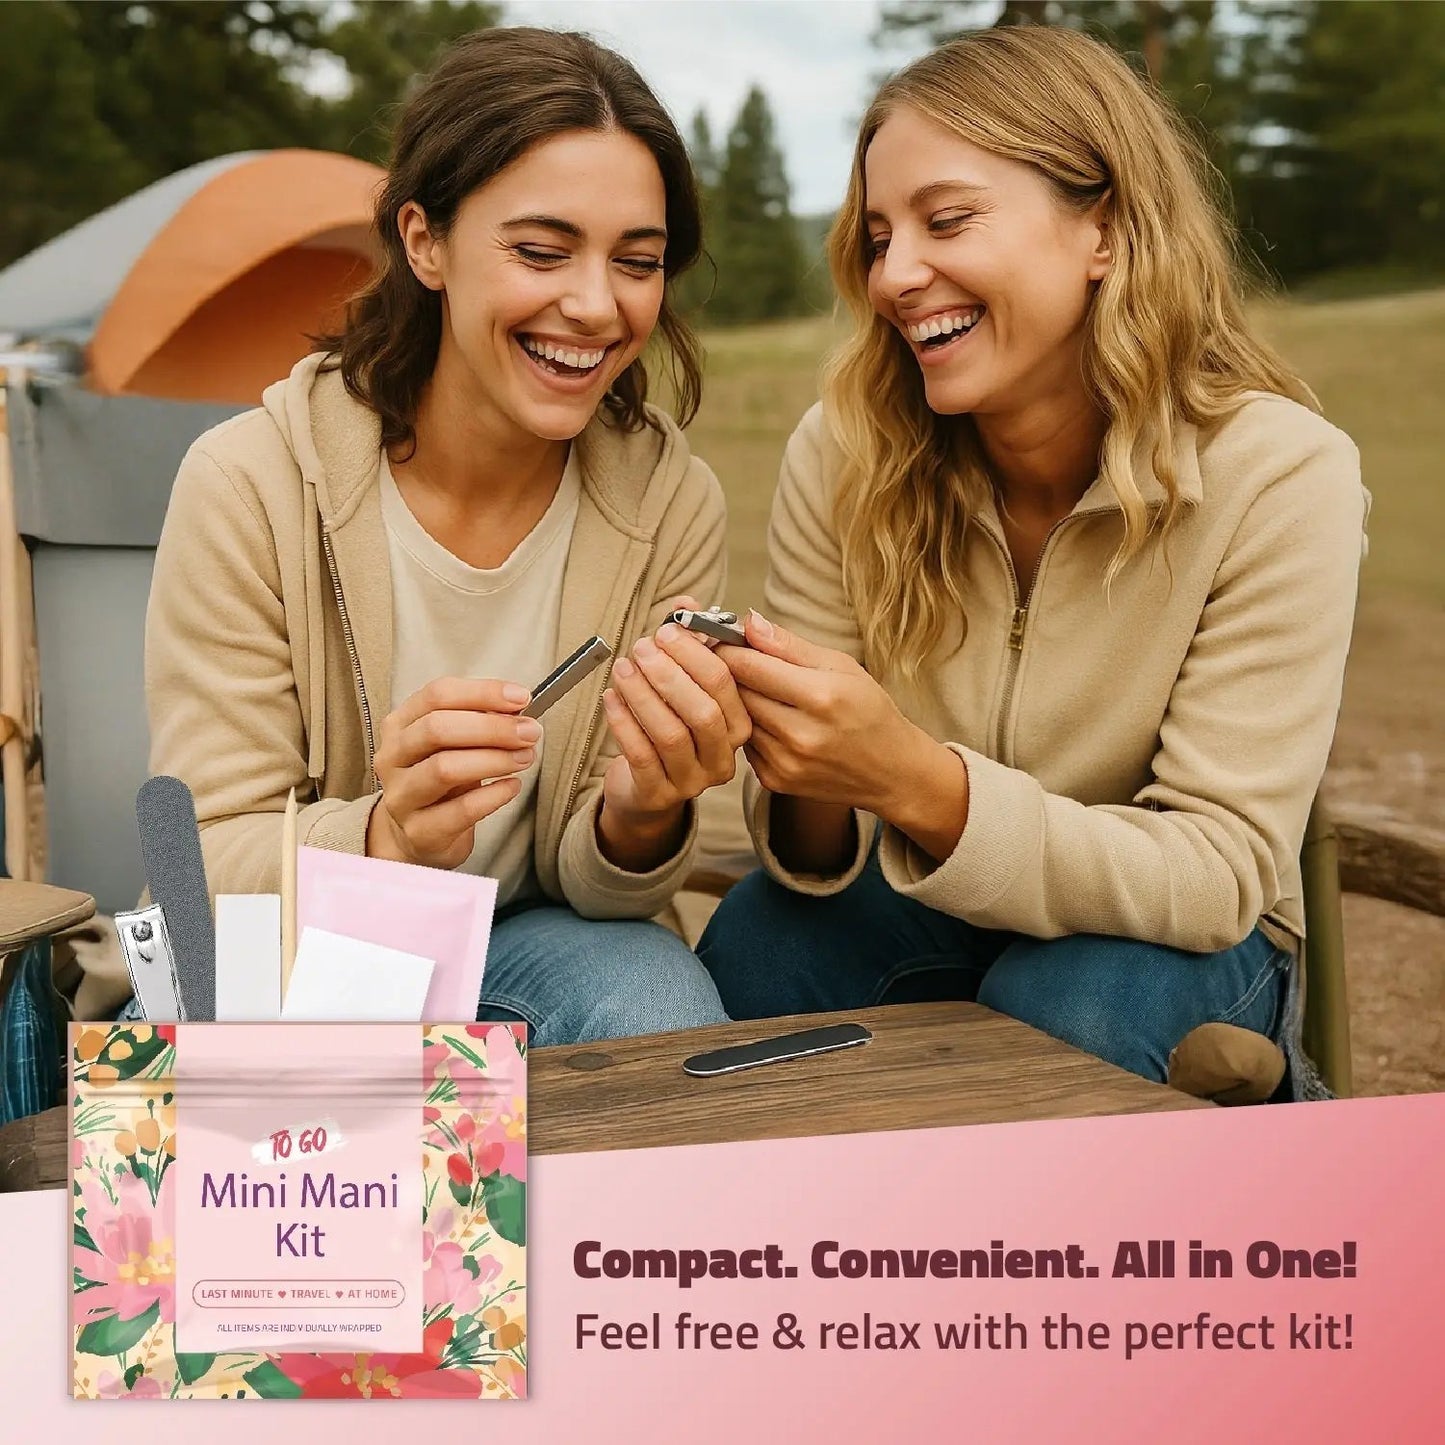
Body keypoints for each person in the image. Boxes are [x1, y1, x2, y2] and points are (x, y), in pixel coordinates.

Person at [697, 25, 1368, 1100]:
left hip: (1177, 936)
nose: (894, 276)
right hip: (925, 895)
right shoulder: (844, 449)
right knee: (760, 942)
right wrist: (796, 754)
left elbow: (1213, 871)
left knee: (1070, 1009)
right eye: (877, 237)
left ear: (1102, 228)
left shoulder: (1280, 473)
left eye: (946, 220)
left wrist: (910, 777)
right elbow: (816, 851)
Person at [144, 28, 749, 1044]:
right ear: (424, 241)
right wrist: (386, 837)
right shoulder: (247, 483)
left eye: (636, 262)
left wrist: (641, 810)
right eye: (540, 251)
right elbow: (191, 870)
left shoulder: (668, 501)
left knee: (654, 998)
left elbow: (604, 889)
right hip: (296, 964)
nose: (594, 305)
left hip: (523, 946)